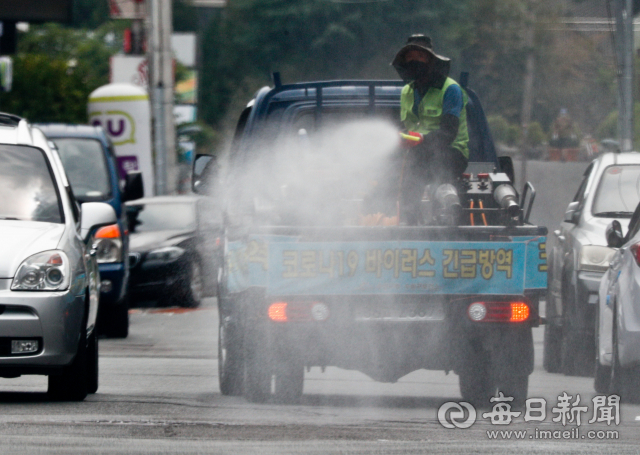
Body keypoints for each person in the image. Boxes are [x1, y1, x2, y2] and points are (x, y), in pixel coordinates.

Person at [391, 34, 469, 224]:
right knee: (402, 179)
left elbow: (449, 132)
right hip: (420, 151)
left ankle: (443, 220)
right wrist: (402, 138)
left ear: (430, 61)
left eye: (420, 56)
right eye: (410, 57)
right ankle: (409, 225)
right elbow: (406, 127)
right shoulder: (406, 92)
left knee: (428, 170)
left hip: (452, 152)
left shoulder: (451, 89)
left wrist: (422, 140)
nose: (414, 61)